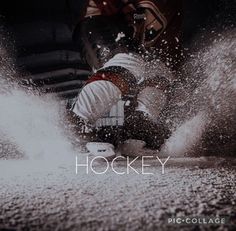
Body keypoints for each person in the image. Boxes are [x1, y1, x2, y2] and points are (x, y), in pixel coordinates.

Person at [67, 0, 183, 153]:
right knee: (128, 61)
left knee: (162, 72)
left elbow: (169, 48)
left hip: (139, 43)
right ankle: (78, 119)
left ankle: (140, 125)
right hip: (100, 23)